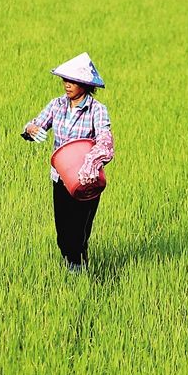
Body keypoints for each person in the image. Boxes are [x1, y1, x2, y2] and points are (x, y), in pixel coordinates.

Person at [22, 52, 115, 272]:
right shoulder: (57, 105)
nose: (67, 85)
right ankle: (70, 263)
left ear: (85, 84)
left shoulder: (97, 110)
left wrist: (94, 159)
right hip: (60, 178)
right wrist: (31, 129)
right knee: (63, 229)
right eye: (65, 80)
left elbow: (105, 139)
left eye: (73, 81)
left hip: (86, 179)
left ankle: (78, 268)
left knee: (80, 229)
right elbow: (36, 124)